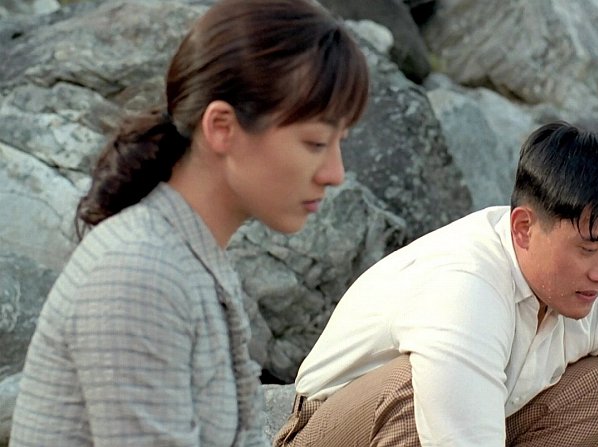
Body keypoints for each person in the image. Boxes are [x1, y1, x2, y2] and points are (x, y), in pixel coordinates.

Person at [10, 0, 368, 445]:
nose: (335, 173)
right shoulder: (139, 273)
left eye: (340, 143)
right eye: (315, 143)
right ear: (222, 127)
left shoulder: (186, 255)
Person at [273, 121, 598, 447]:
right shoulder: (464, 287)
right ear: (524, 228)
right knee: (419, 388)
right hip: (335, 428)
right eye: (588, 248)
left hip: (486, 418)